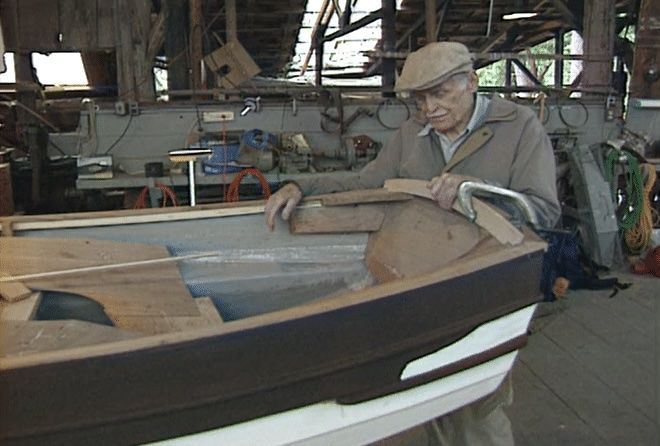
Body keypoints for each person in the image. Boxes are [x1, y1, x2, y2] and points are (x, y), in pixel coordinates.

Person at [265, 41, 560, 445]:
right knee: (433, 399)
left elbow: (543, 211)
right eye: (420, 99)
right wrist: (302, 185)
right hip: (423, 286)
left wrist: (475, 190)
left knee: (477, 407)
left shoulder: (519, 126)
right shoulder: (412, 134)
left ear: (473, 82)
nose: (429, 109)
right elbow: (367, 181)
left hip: (483, 288)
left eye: (440, 94)